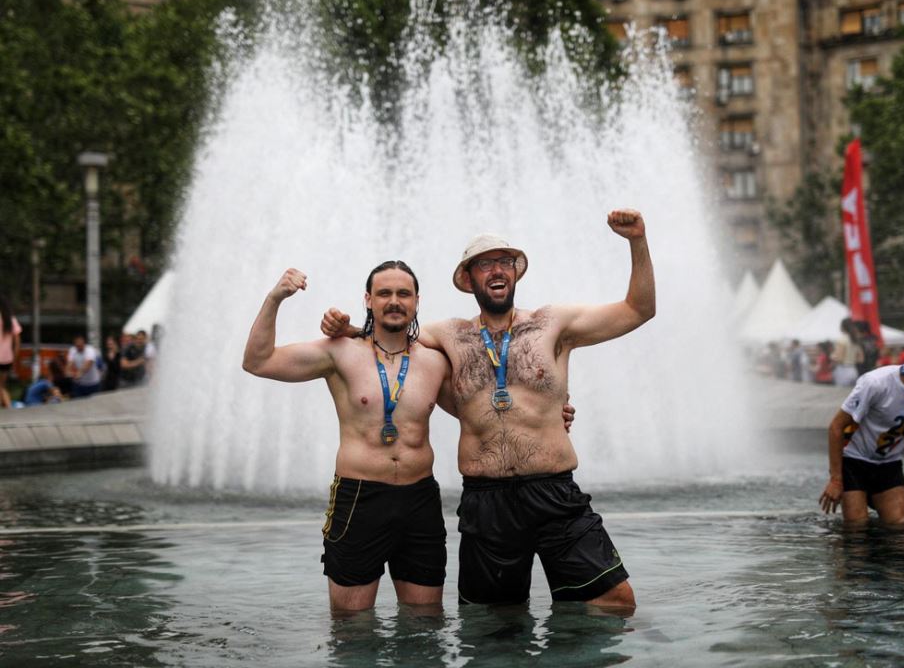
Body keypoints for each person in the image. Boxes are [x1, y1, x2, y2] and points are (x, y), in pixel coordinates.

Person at [324, 208, 654, 609]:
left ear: (515, 273)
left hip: (553, 492)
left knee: (616, 603)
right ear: (469, 278)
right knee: (491, 626)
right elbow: (389, 332)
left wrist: (637, 241)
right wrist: (345, 328)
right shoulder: (447, 335)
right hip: (487, 500)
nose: (496, 270)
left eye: (504, 262)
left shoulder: (554, 324)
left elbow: (639, 309)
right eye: (485, 265)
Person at [243, 261, 577, 612]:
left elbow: (489, 407)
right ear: (368, 299)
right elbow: (257, 361)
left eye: (403, 293)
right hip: (361, 497)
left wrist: (553, 415)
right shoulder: (338, 352)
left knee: (425, 624)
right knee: (352, 625)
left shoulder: (434, 361)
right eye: (384, 293)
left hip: (420, 501)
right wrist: (276, 297)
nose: (394, 301)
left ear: (417, 301)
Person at [818, 328, 904, 526]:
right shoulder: (876, 383)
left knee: (899, 527)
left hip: (888, 464)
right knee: (857, 530)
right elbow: (836, 427)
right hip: (854, 461)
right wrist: (836, 479)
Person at [0, 295, 22, 408]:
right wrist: (14, 357)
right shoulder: (11, 320)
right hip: (7, 358)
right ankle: (7, 408)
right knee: (2, 386)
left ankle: (8, 407)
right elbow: (17, 341)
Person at [66, 334, 101, 398]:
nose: (79, 347)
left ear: (84, 343)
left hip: (93, 384)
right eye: (77, 345)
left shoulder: (90, 350)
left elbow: (88, 364)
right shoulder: (72, 350)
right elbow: (70, 363)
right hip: (79, 385)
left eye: (80, 345)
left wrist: (80, 373)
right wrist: (68, 371)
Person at [831, 318, 863, 387]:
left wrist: (832, 356)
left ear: (842, 327)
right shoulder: (855, 340)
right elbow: (861, 359)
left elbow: (840, 359)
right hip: (853, 370)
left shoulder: (841, 340)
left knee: (840, 395)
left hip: (843, 371)